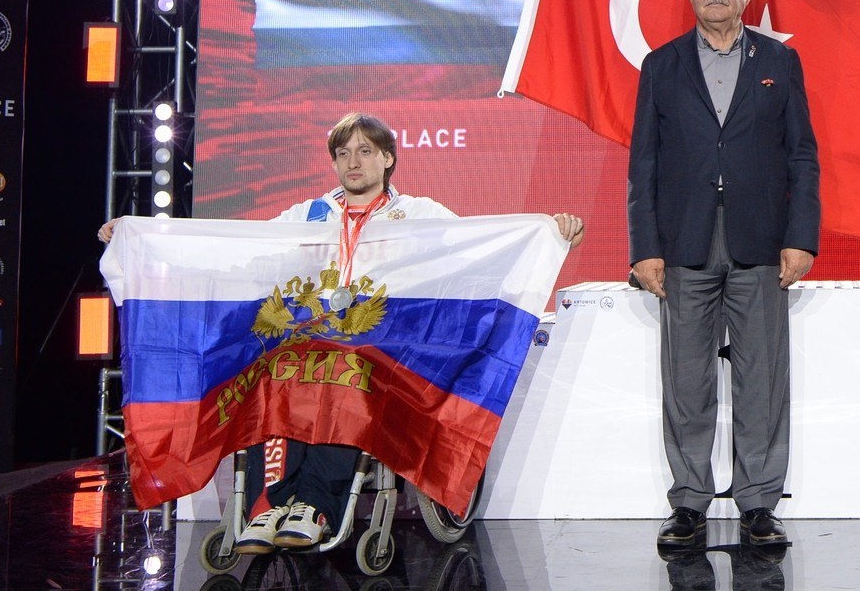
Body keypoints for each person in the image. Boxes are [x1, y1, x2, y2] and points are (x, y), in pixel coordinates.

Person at [98, 111, 585, 554]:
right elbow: (244, 252)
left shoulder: (418, 214)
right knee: (275, 364)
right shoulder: (307, 217)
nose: (353, 161)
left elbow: (482, 248)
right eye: (343, 153)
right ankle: (271, 505)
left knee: (341, 366)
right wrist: (140, 238)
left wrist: (550, 232)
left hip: (385, 346)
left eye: (365, 151)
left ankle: (316, 506)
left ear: (388, 158)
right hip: (313, 337)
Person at [629, 0, 820, 550]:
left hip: (761, 240)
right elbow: (644, 165)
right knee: (687, 381)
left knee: (762, 378)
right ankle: (688, 503)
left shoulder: (780, 61)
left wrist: (801, 237)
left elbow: (802, 157)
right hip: (683, 243)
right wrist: (644, 247)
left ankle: (759, 503)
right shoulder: (660, 66)